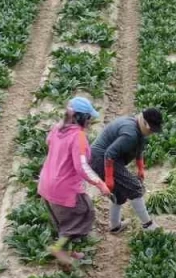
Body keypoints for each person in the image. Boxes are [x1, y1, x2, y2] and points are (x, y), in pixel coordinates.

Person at [38, 96, 112, 265]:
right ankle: (58, 248)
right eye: (88, 117)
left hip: (46, 183)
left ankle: (68, 252)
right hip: (64, 187)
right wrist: (100, 184)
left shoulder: (57, 128)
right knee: (85, 214)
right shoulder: (78, 136)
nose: (90, 121)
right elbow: (81, 166)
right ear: (81, 118)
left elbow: (48, 142)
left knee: (64, 221)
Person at [90, 109, 163, 234]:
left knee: (120, 193)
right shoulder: (130, 134)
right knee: (134, 188)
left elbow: (139, 150)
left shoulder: (138, 129)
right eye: (151, 129)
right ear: (144, 123)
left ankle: (115, 226)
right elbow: (109, 154)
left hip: (111, 158)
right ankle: (148, 225)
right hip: (101, 158)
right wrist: (109, 178)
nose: (152, 133)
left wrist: (140, 169)